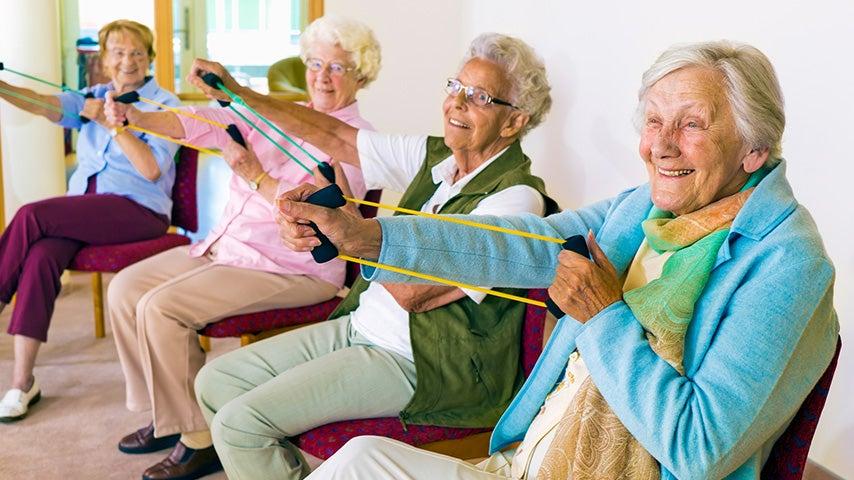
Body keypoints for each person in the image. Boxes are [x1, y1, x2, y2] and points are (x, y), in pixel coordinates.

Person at [278, 40, 840, 480]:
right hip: (536, 459)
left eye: (692, 124)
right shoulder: (644, 206)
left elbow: (699, 449)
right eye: (653, 120)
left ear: (755, 147)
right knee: (358, 460)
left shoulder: (787, 262)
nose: (661, 145)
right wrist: (368, 238)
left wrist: (603, 316)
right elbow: (519, 244)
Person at [188, 32, 558, 479]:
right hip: (360, 326)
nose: (457, 103)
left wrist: (347, 231)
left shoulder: (515, 200)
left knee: (239, 425)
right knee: (215, 382)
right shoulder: (436, 157)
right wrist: (238, 93)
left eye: (479, 96)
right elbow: (330, 133)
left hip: (421, 360)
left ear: (514, 122)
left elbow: (413, 294)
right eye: (455, 87)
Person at [101, 15, 379, 480]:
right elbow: (206, 123)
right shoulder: (283, 111)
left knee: (159, 308)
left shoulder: (356, 141)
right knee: (125, 289)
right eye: (315, 63)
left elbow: (318, 211)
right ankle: (171, 415)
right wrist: (136, 117)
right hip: (228, 246)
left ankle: (198, 438)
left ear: (361, 76)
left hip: (288, 267)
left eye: (338, 67)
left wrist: (253, 173)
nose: (322, 76)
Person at [0, 20, 179, 423]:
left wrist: (113, 125)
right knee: (43, 254)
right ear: (104, 60)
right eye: (118, 52)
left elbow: (151, 169)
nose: (128, 61)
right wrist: (3, 87)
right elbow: (40, 103)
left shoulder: (165, 105)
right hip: (88, 212)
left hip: (139, 211)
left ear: (150, 57)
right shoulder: (92, 96)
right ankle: (22, 382)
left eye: (137, 52)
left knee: (32, 215)